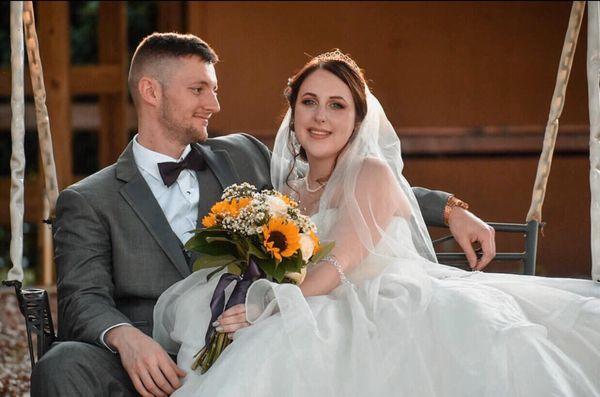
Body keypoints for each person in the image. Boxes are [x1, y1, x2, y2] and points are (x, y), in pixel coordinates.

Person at [30, 33, 490, 397]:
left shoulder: (241, 156)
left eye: (214, 89)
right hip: (150, 361)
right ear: (151, 92)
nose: (215, 104)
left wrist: (447, 208)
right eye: (198, 90)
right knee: (61, 364)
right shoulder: (89, 200)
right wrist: (126, 339)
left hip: (245, 345)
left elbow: (340, 184)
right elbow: (80, 300)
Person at [154, 50, 600, 396]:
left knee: (276, 348)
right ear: (293, 113)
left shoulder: (371, 172)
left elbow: (338, 267)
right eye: (309, 103)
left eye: (337, 105)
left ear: (358, 119)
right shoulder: (287, 187)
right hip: (313, 298)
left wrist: (266, 306)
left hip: (376, 303)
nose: (320, 116)